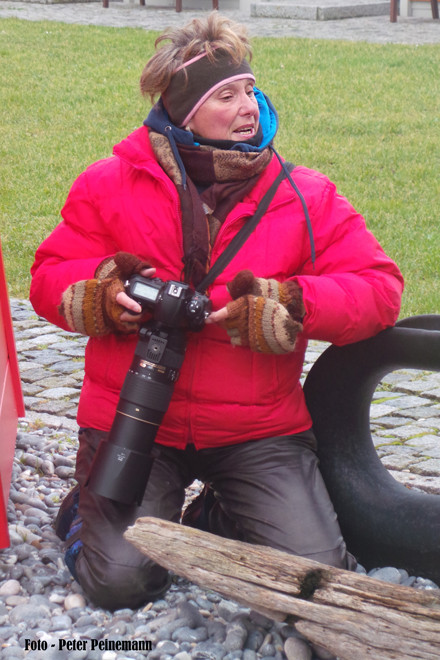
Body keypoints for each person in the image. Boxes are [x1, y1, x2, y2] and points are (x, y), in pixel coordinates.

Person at [30, 12, 403, 617]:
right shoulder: (109, 184)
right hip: (134, 421)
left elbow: (380, 288)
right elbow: (49, 274)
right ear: (182, 111)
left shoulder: (306, 195)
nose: (248, 106)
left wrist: (291, 306)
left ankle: (212, 514)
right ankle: (85, 508)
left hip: (258, 430)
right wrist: (102, 296)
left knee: (314, 578)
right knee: (121, 584)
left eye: (251, 90)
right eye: (225, 95)